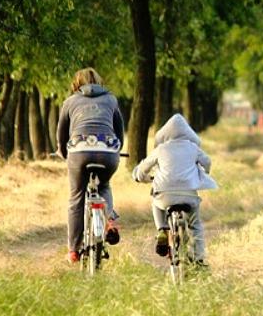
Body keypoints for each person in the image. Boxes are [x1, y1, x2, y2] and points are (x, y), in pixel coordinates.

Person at [56, 68, 124, 264]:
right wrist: (116, 149)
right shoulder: (111, 100)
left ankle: (74, 250)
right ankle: (109, 220)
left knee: (76, 197)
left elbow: (61, 134)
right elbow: (119, 130)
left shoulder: (69, 102)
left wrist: (63, 153)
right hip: (108, 151)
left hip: (79, 151)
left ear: (77, 83)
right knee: (103, 186)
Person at [132, 113, 217, 265]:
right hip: (188, 194)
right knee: (195, 224)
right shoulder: (192, 147)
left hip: (165, 195)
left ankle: (162, 230)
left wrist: (140, 177)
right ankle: (198, 258)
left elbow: (143, 169)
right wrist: (203, 173)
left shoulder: (161, 149)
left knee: (156, 203)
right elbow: (207, 162)